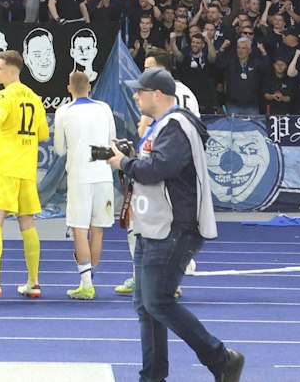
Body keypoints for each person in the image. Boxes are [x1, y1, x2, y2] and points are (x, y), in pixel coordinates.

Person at [106, 67, 244, 382]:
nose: (135, 96)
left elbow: (158, 169)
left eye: (140, 91)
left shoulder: (175, 126)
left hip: (172, 226)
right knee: (147, 305)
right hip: (154, 224)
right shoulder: (163, 126)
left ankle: (222, 359)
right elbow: (153, 166)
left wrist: (125, 162)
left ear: (157, 95)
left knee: (157, 302)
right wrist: (131, 158)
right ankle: (153, 376)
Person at [117, 50, 198, 295]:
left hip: (156, 167)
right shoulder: (188, 93)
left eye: (147, 67)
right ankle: (171, 279)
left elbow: (143, 132)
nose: (143, 72)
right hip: (184, 170)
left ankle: (142, 276)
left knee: (141, 223)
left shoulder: (156, 97)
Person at [0, 48, 45, 300]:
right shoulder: (34, 97)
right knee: (28, 224)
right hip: (27, 168)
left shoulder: (4, 95)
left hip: (5, 167)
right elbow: (43, 133)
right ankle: (33, 282)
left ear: (12, 71)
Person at [53, 69, 117, 298]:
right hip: (103, 173)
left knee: (80, 230)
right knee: (97, 230)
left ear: (69, 88)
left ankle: (87, 283)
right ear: (89, 87)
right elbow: (112, 141)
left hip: (79, 176)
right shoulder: (104, 108)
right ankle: (90, 277)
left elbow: (59, 149)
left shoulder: (63, 111)